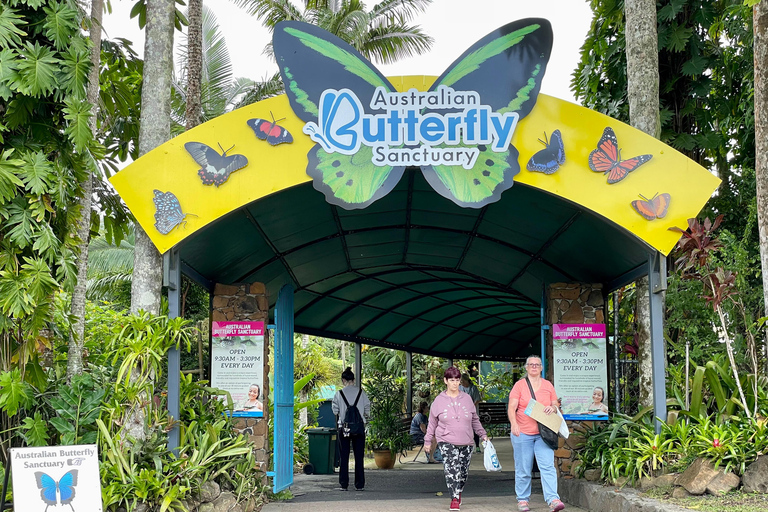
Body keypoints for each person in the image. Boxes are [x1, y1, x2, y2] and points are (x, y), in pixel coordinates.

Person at [425, 366, 488, 511]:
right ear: (445, 381)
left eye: (457, 380)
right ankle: (454, 498)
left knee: (463, 472)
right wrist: (428, 441)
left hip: (466, 440)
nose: (455, 383)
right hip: (446, 440)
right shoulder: (438, 401)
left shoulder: (467, 398)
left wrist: (483, 434)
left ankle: (458, 492)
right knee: (452, 469)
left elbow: (474, 419)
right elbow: (432, 422)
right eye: (452, 380)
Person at [508, 356, 566, 512]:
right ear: (526, 367)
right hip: (522, 432)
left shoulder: (548, 385)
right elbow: (512, 407)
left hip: (543, 434)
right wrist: (514, 424)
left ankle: (553, 499)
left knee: (547, 466)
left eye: (537, 365)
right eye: (531, 364)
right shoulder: (519, 386)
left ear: (541, 368)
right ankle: (522, 500)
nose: (534, 367)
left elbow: (555, 404)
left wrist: (553, 408)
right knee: (523, 468)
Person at [331, 367, 370, 491]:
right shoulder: (361, 392)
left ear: (343, 380)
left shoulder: (339, 394)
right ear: (353, 380)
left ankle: (344, 483)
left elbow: (335, 410)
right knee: (359, 457)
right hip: (359, 429)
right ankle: (359, 484)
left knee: (344, 456)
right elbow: (368, 410)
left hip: (344, 428)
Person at [459, 373, 482, 453]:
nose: (461, 382)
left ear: (466, 380)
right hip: (462, 412)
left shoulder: (473, 388)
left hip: (472, 412)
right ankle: (464, 446)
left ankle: (477, 446)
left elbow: (477, 399)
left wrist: (471, 406)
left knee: (474, 429)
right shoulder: (459, 388)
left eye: (462, 381)